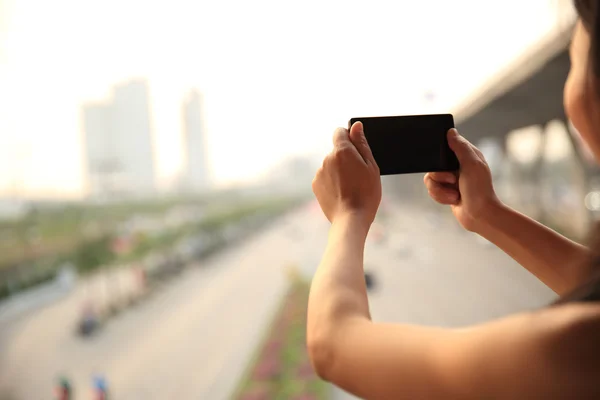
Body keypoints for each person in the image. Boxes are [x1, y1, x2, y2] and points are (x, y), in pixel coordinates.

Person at [307, 1, 600, 398]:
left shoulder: (573, 350)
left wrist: (349, 214)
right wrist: (487, 214)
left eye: (573, 59)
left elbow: (333, 345)